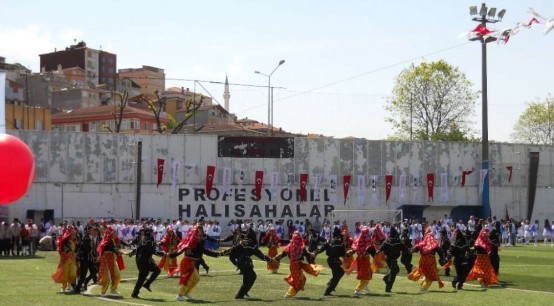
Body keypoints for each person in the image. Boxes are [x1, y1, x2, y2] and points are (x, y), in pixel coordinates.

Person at [219, 226, 271, 299]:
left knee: (247, 278)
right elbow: (261, 256)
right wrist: (270, 260)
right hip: (245, 263)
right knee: (253, 276)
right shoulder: (252, 244)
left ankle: (243, 293)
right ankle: (240, 295)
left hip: (241, 262)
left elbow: (232, 249)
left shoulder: (242, 242)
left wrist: (222, 253)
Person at [171, 226, 218, 301]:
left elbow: (204, 250)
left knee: (196, 278)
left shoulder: (196, 241)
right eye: (198, 231)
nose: (199, 233)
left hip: (192, 262)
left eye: (200, 231)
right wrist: (169, 254)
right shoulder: (191, 242)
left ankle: (186, 292)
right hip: (187, 262)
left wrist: (217, 254)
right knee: (187, 279)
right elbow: (181, 250)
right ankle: (179, 295)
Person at [274, 231, 322, 298]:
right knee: (298, 280)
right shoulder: (301, 247)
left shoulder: (289, 246)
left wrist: (274, 259)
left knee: (302, 279)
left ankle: (292, 292)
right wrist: (315, 253)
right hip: (295, 266)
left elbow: (282, 255)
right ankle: (289, 294)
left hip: (294, 265)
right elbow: (308, 255)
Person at [128, 227, 165, 299]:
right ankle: (145, 286)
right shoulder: (147, 240)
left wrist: (132, 253)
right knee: (149, 273)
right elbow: (153, 251)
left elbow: (139, 248)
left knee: (143, 276)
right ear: (148, 233)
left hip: (143, 260)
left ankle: (136, 292)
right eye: (151, 232)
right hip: (144, 261)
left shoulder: (146, 239)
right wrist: (164, 254)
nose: (153, 233)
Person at [345, 226, 376, 295]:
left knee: (369, 272)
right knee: (366, 274)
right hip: (363, 259)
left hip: (361, 259)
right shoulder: (367, 239)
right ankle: (358, 289)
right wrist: (376, 257)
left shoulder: (358, 240)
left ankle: (364, 285)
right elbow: (372, 250)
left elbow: (354, 249)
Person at [316, 227, 347, 296]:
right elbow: (343, 254)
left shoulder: (329, 241)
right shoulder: (340, 243)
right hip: (335, 260)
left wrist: (316, 252)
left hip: (330, 260)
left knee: (337, 274)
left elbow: (323, 247)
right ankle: (328, 290)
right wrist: (349, 253)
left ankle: (330, 285)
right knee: (339, 274)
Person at [378, 227, 409, 292]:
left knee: (395, 270)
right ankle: (388, 287)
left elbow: (380, 249)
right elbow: (405, 249)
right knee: (394, 272)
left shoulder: (386, 241)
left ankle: (386, 278)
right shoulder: (398, 242)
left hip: (388, 259)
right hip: (393, 259)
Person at [97, 226, 123, 297]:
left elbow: (114, 248)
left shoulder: (112, 240)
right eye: (114, 232)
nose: (115, 233)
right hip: (106, 260)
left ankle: (113, 289)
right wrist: (118, 252)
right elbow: (112, 248)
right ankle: (103, 292)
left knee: (117, 275)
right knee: (106, 277)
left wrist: (118, 251)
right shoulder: (107, 240)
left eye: (115, 232)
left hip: (112, 259)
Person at [51, 226, 78, 293]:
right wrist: (71, 253)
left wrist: (74, 254)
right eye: (73, 234)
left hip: (72, 260)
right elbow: (66, 250)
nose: (74, 235)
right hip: (66, 260)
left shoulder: (73, 242)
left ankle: (71, 285)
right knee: (65, 274)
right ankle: (63, 287)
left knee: (73, 273)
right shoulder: (65, 242)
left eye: (75, 234)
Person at [74, 226, 99, 294]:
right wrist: (95, 257)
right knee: (83, 275)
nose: (94, 231)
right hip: (85, 259)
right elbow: (88, 250)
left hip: (89, 259)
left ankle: (86, 281)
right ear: (89, 231)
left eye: (94, 230)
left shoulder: (90, 238)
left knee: (95, 270)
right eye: (92, 230)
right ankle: (77, 288)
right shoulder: (87, 239)